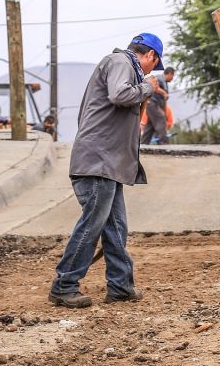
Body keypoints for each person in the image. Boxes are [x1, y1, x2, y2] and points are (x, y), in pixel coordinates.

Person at [48, 33, 165, 309]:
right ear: (150, 56)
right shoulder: (120, 61)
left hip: (107, 164)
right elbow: (120, 94)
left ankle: (120, 286)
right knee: (92, 226)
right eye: (154, 66)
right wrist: (148, 87)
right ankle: (64, 285)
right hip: (97, 163)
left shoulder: (121, 65)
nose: (151, 72)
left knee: (115, 228)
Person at [141, 67, 174, 145]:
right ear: (169, 74)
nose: (172, 78)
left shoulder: (165, 82)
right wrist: (164, 93)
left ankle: (143, 145)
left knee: (150, 127)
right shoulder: (159, 78)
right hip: (152, 104)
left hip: (155, 106)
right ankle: (164, 145)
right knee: (161, 119)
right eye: (173, 76)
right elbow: (155, 87)